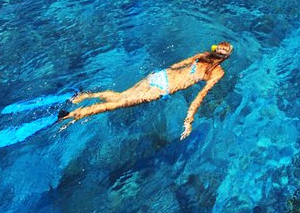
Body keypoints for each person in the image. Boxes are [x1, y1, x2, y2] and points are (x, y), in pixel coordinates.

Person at [58, 42, 233, 140]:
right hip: (162, 89)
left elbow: (176, 66)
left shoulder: (201, 55)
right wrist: (189, 120)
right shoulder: (217, 73)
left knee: (121, 95)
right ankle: (71, 115)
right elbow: (199, 97)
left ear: (214, 49)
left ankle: (84, 97)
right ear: (225, 58)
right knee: (117, 104)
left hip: (159, 75)